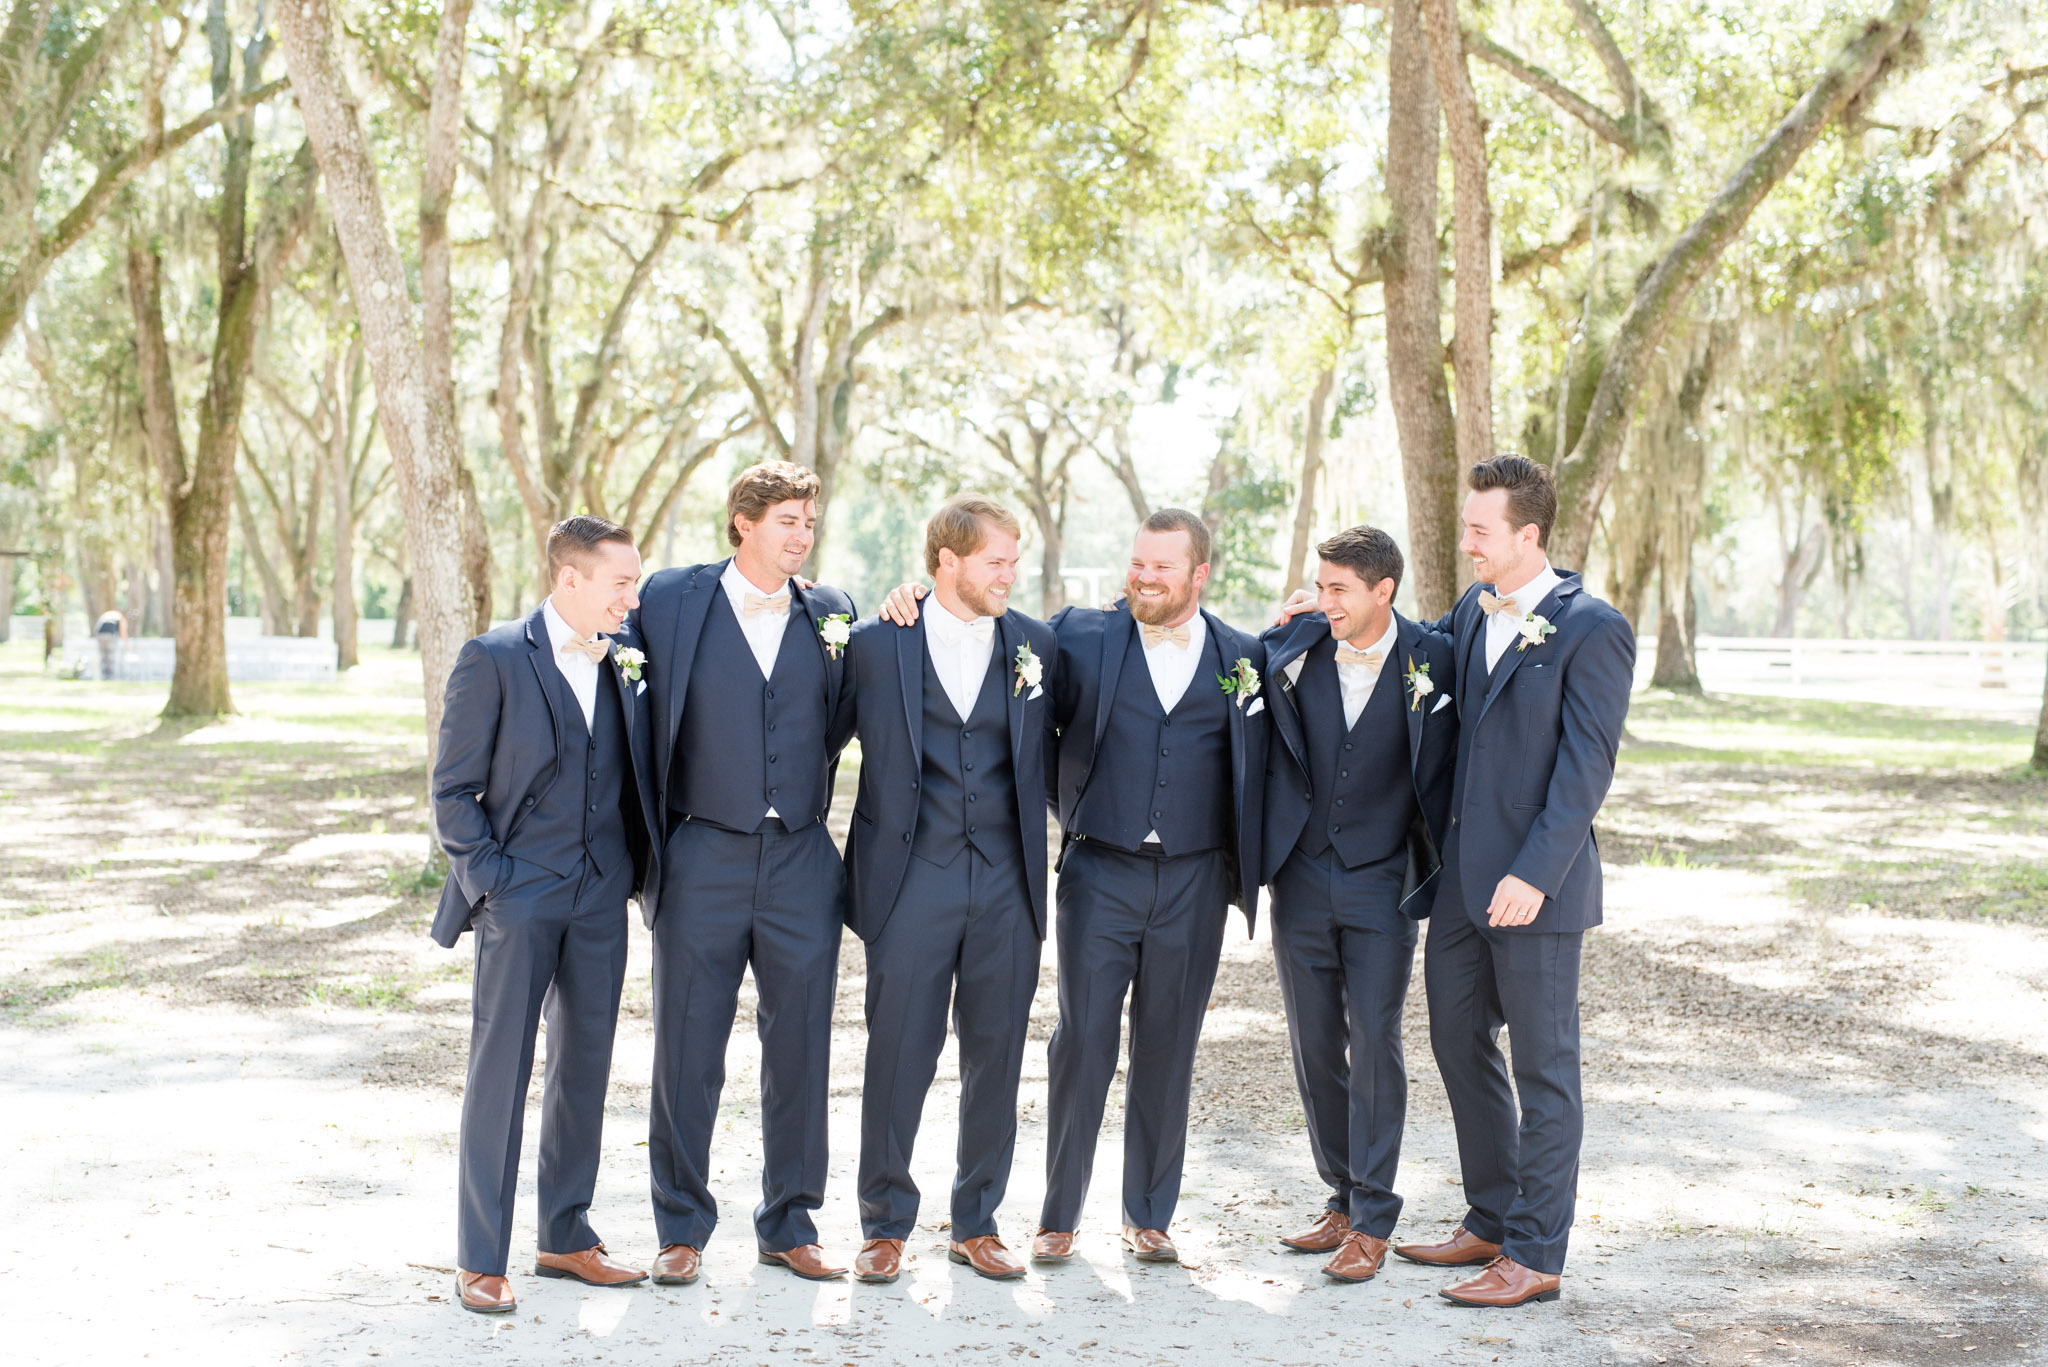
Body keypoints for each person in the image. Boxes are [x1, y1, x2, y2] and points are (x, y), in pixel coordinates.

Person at [1278, 456, 1634, 1306]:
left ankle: (1537, 1252)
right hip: (1461, 886)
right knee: (1455, 1039)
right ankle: (1492, 1215)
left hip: (1535, 891)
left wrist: (1535, 873)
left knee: (1547, 1068)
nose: (1466, 540)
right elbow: (1403, 638)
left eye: (1479, 529)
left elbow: (1587, 769)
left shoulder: (1591, 626)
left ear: (1527, 534)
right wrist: (1324, 609)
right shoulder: (1474, 612)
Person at [882, 507, 1268, 1265]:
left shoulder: (1242, 654)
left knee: (1169, 1043)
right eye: (1138, 562)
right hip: (1099, 871)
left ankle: (1148, 1212)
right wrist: (914, 597)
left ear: (1200, 574)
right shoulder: (1074, 638)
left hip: (1195, 878)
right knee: (1083, 1040)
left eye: (1163, 566)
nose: (1144, 576)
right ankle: (1059, 1214)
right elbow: (990, 663)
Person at [633, 462, 858, 1286]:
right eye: (787, 521)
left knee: (800, 1045)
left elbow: (847, 716)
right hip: (702, 852)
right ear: (743, 522)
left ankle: (790, 1222)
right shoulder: (671, 597)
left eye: (809, 521)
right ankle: (682, 1225)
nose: (802, 535)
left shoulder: (833, 611)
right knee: (687, 1047)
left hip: (802, 855)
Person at [428, 515, 660, 1314]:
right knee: (502, 1069)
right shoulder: (492, 658)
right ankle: (480, 1255)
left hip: (602, 898)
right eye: (621, 581)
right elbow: (452, 790)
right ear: (570, 579)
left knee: (583, 1069)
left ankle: (565, 1234)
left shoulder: (626, 658)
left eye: (635, 580)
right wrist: (493, 881)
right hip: (520, 897)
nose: (633, 595)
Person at [830, 496, 1057, 1284]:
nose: (1010, 574)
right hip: (908, 879)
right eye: (997, 559)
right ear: (946, 561)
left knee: (996, 1056)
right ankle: (885, 1222)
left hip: (1007, 881)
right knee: (898, 1054)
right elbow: (817, 743)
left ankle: (977, 1220)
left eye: (1014, 559)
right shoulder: (872, 645)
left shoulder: (1037, 644)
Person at [1257, 526, 1456, 1284]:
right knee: (1314, 1043)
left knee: (1375, 1040)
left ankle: (1374, 1214)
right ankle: (1340, 1193)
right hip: (1300, 877)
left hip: (1384, 881)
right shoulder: (1296, 643)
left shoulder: (1434, 657)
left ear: (1385, 591)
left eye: (1341, 588)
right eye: (1322, 584)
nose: (1325, 598)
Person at [94, 609, 125, 680]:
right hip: (110, 636)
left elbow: (96, 628)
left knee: (103, 656)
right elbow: (123, 632)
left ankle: (103, 676)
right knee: (110, 656)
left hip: (100, 635)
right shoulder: (119, 617)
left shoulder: (105, 616)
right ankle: (111, 676)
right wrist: (128, 645)